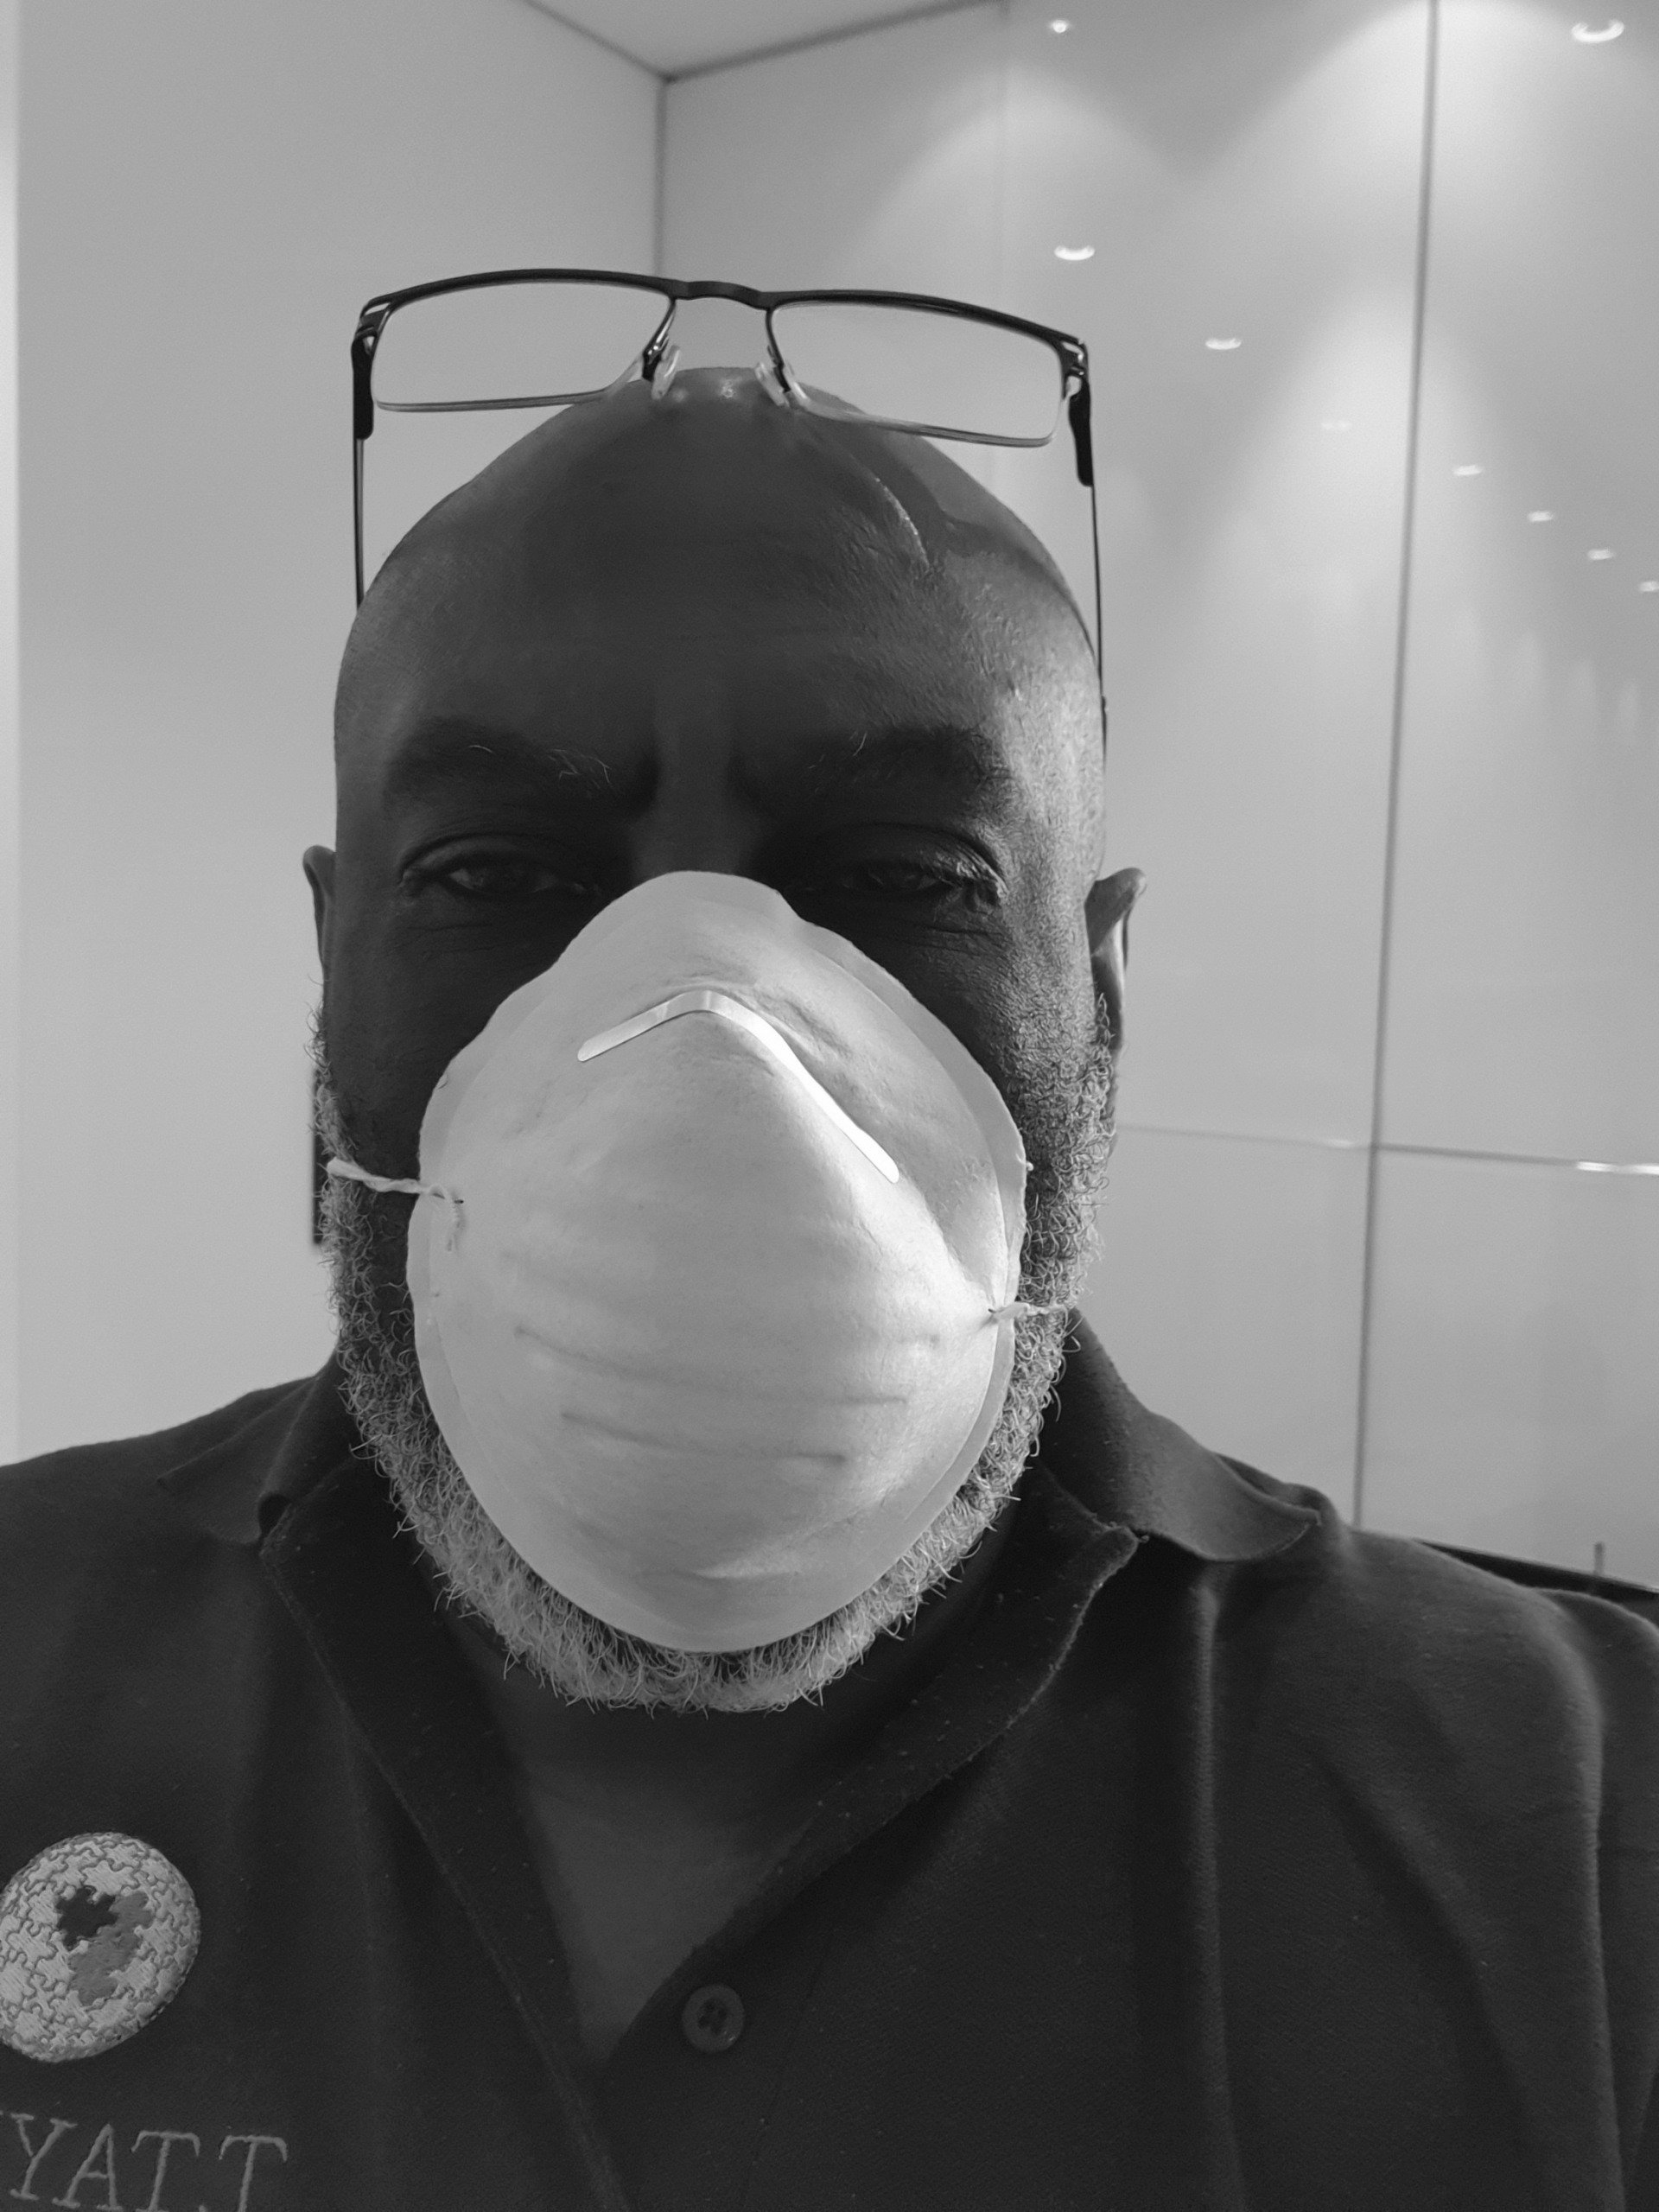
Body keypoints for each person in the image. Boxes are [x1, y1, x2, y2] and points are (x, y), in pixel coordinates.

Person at [1, 359, 1656, 2212]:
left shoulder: (1581, 1833)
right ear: (333, 963)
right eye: (493, 870)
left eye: (904, 875)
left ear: (1098, 997)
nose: (706, 1045)